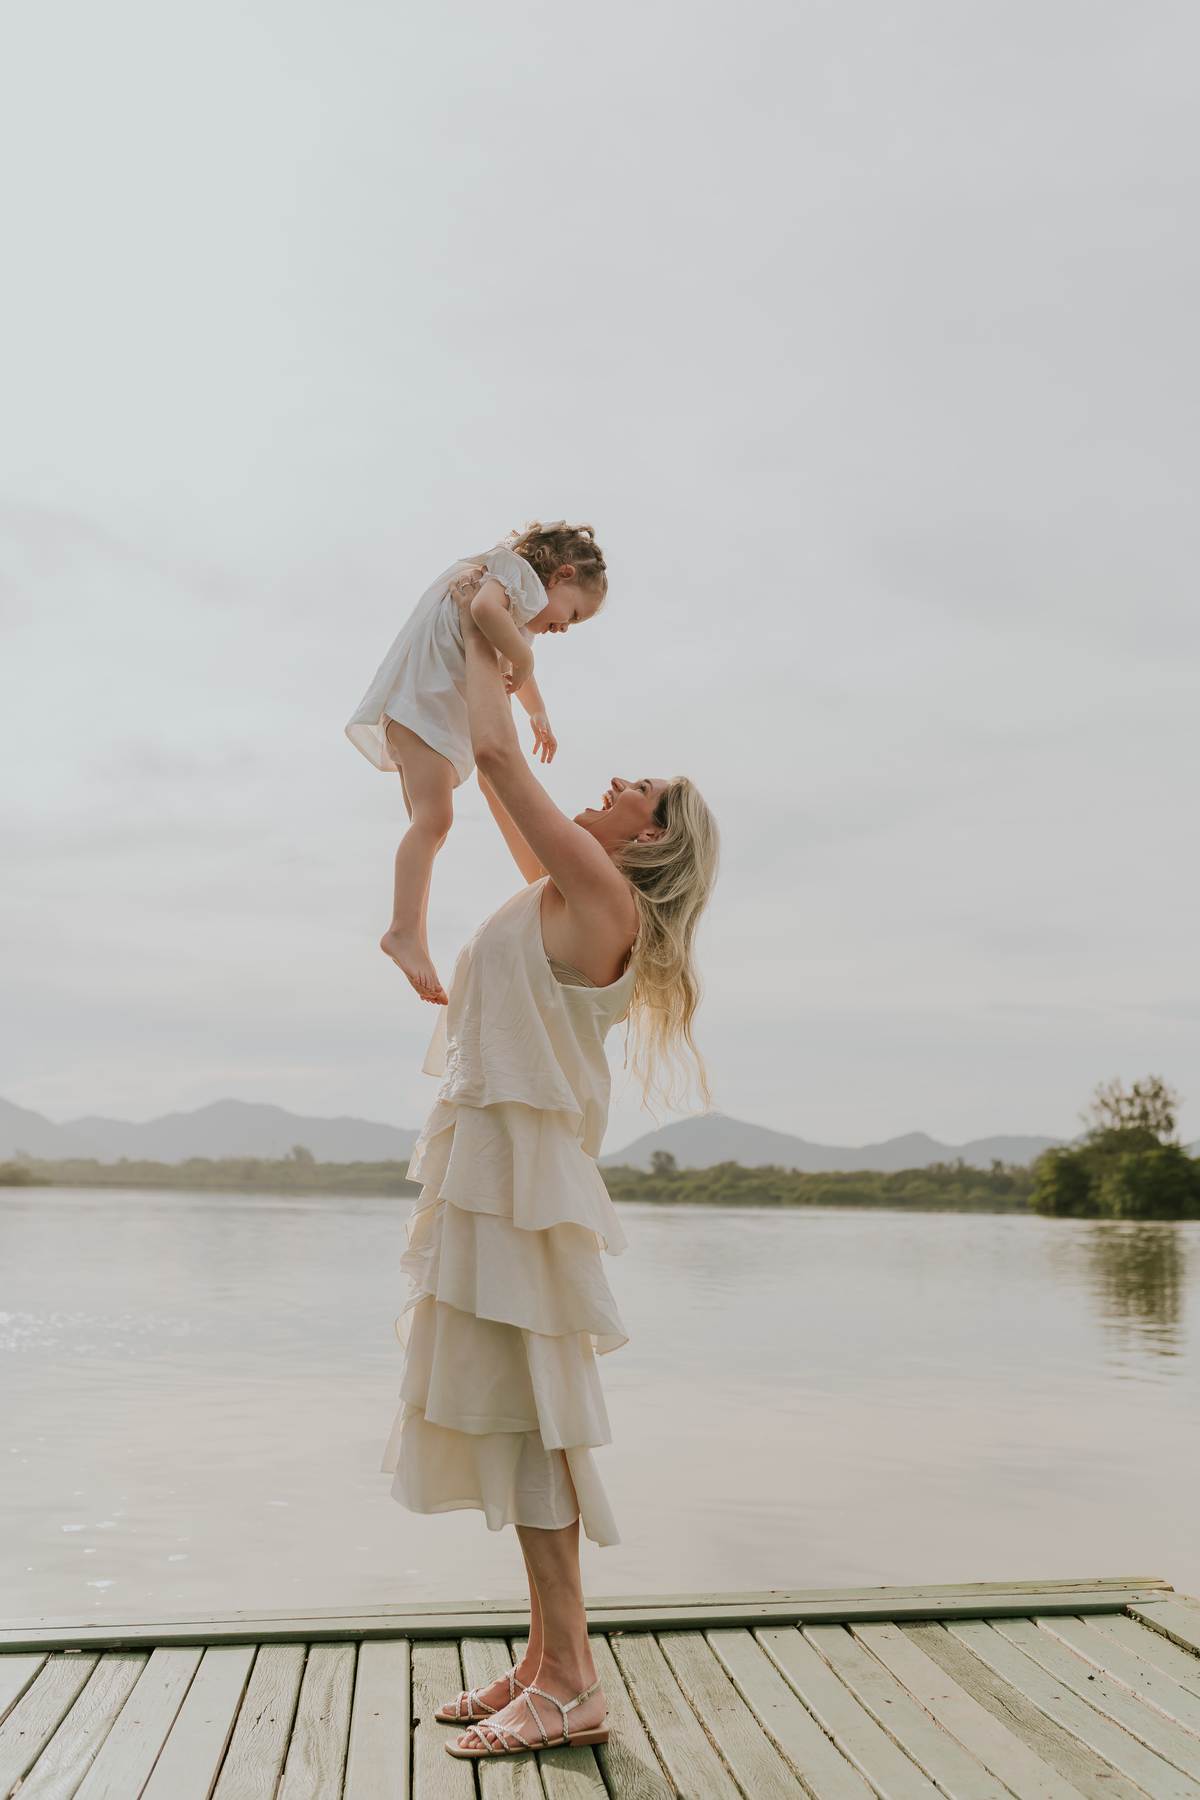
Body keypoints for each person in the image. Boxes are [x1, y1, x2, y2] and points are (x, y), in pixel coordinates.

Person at [380, 573, 719, 1761]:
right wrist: (504, 657)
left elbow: (490, 748)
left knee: (537, 1424)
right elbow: (486, 769)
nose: (621, 782)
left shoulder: (602, 895)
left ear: (655, 838)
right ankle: (544, 1660)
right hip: (494, 1178)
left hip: (522, 1192)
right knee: (514, 1420)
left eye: (646, 790)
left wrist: (492, 626)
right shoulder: (568, 877)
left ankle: (573, 1679)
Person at [345, 521, 609, 1005]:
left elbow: (510, 647)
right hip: (422, 708)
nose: (565, 628)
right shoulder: (514, 578)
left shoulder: (518, 603)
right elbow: (486, 615)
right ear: (561, 574)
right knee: (434, 820)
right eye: (571, 614)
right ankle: (403, 932)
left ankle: (411, 933)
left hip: (422, 713)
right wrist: (524, 666)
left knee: (430, 829)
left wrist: (537, 711)